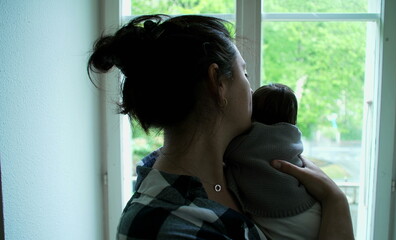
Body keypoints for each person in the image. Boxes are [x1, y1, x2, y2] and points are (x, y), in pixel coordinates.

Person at [88, 14, 354, 240]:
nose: (251, 88)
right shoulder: (169, 228)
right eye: (244, 74)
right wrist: (336, 203)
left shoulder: (237, 173)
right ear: (218, 82)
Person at [225, 83, 320, 239]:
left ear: (252, 111)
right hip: (308, 207)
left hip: (273, 215)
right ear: (292, 118)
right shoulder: (293, 138)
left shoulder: (242, 143)